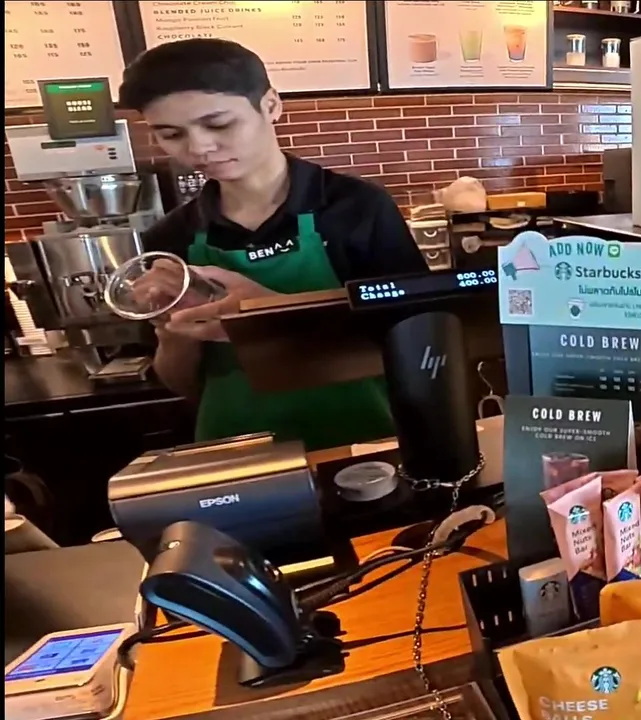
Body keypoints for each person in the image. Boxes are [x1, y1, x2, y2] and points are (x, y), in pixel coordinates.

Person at [120, 39, 427, 450]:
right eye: (171, 134)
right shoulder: (171, 237)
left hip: (362, 446)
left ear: (270, 105)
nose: (198, 148)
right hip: (240, 454)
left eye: (219, 124)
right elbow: (185, 385)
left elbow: (420, 348)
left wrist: (267, 315)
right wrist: (173, 333)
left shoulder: (355, 208)